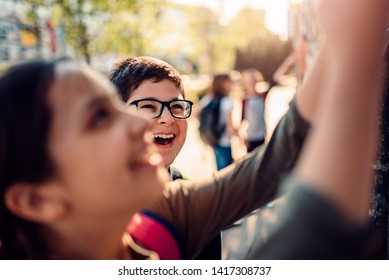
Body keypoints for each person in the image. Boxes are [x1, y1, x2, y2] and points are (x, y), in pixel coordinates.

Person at [0, 0, 386, 259]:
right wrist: (355, 49)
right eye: (99, 118)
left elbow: (274, 161)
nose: (144, 121)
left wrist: (341, 38)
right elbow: (310, 233)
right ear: (35, 200)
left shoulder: (160, 213)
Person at [108, 56, 221, 259]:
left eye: (176, 107)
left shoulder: (197, 206)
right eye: (149, 107)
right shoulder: (89, 206)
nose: (167, 119)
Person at [207, 73, 238, 170]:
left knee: (219, 172)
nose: (232, 84)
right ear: (223, 84)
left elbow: (195, 112)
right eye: (229, 82)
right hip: (225, 142)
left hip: (214, 140)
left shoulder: (210, 99)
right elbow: (230, 128)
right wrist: (240, 139)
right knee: (226, 174)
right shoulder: (228, 101)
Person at [240, 69, 268, 153]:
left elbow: (276, 79)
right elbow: (242, 120)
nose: (251, 83)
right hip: (250, 138)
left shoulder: (263, 96)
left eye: (253, 80)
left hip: (262, 136)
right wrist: (242, 138)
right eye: (248, 81)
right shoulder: (245, 99)